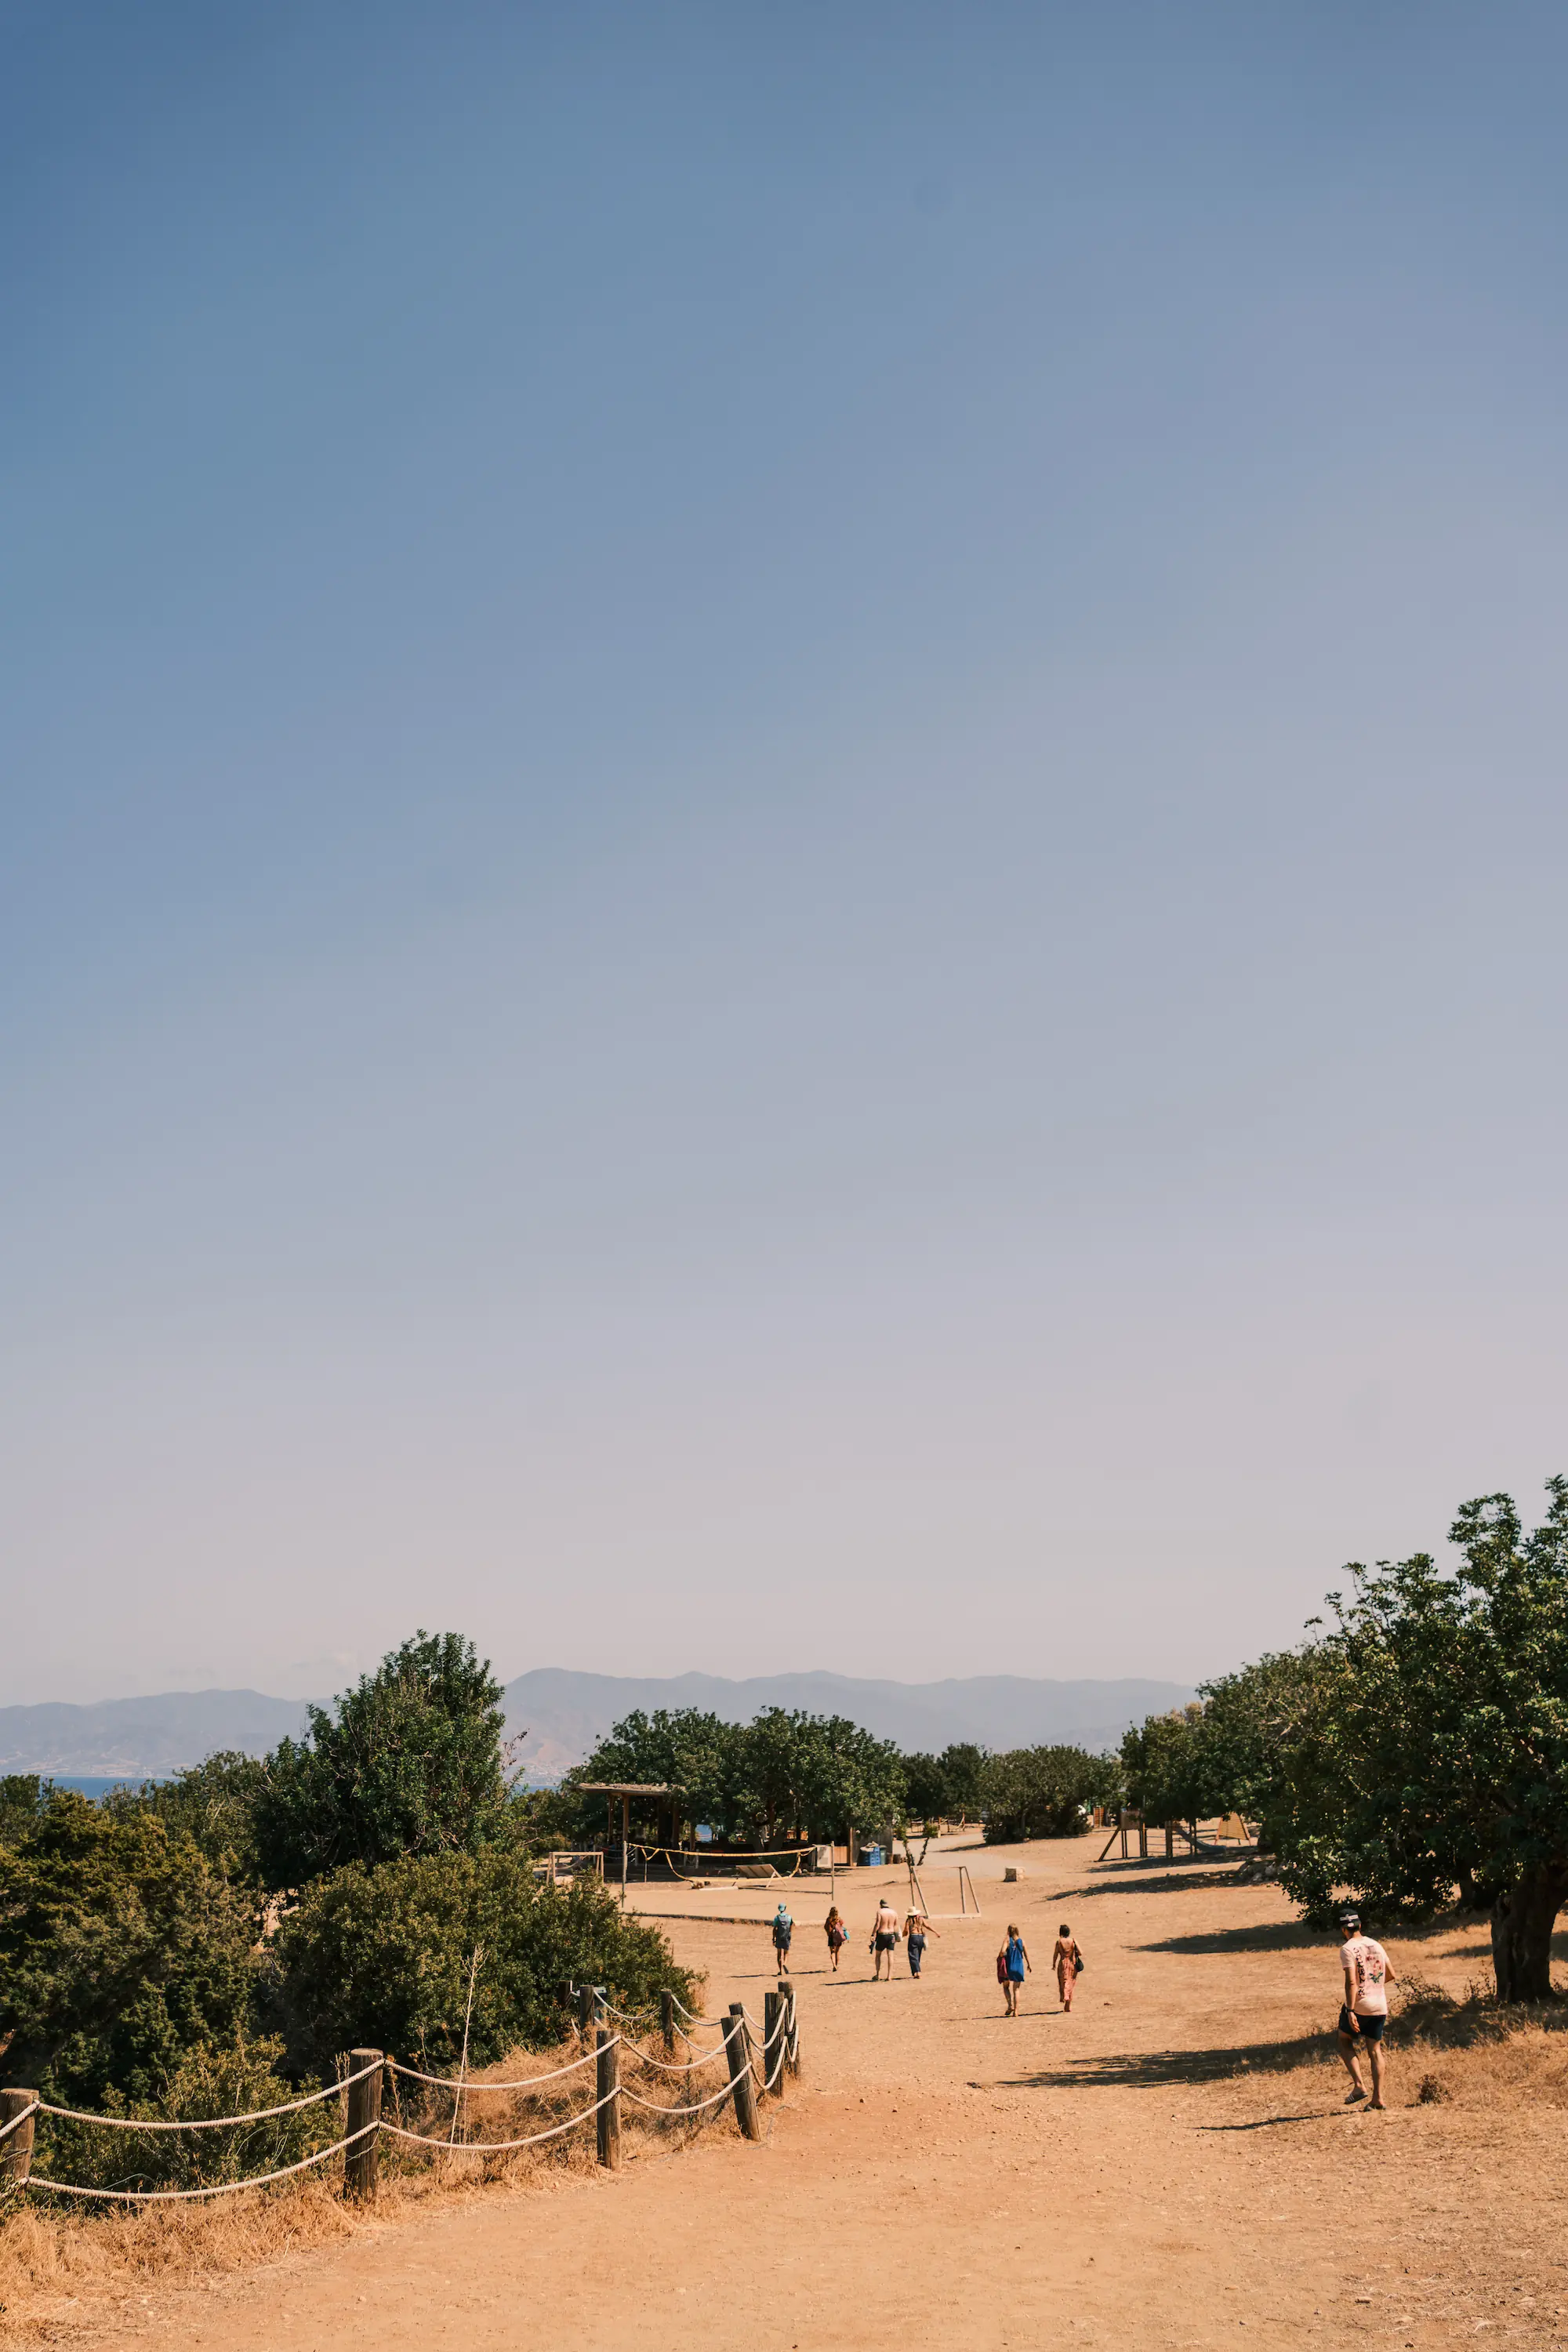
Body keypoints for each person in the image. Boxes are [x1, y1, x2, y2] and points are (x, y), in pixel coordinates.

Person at [1336, 1908, 1396, 2109]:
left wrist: (1350, 2010)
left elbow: (1351, 1982)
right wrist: (1373, 1985)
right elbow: (1391, 1974)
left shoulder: (1347, 1949)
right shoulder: (1376, 1945)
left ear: (1344, 1929)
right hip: (1380, 2004)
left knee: (1344, 2040)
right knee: (1375, 2050)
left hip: (1360, 2005)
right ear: (1360, 1926)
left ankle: (1359, 2085)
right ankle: (1378, 2098)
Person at [997, 1923, 1030, 2016]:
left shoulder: (1007, 1940)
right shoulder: (1022, 1941)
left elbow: (1002, 1951)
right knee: (1016, 1989)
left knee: (1006, 1987)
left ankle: (1010, 2005)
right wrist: (1029, 1964)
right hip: (1019, 1967)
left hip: (1008, 1967)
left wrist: (1002, 1956)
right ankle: (1016, 2011)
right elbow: (1026, 1954)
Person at [1051, 1922, 1081, 2012]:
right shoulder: (1073, 1941)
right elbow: (1080, 1952)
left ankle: (1065, 1995)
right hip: (1072, 1963)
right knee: (1071, 1982)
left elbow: (1056, 1954)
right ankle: (1068, 2005)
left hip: (1063, 1963)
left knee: (1063, 1981)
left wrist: (1053, 1964)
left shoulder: (1059, 1942)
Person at [869, 1896, 901, 1980]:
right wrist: (897, 1936)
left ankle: (878, 1974)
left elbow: (878, 1924)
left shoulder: (880, 1912)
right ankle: (889, 1976)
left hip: (882, 1934)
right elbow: (896, 1925)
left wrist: (873, 1934)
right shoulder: (894, 1912)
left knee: (878, 1955)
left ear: (880, 1904)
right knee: (890, 1955)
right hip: (891, 1934)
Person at [904, 1910, 939, 1977]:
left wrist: (902, 1936)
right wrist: (936, 1932)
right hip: (921, 1937)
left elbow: (906, 1931)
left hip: (913, 1937)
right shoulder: (921, 1919)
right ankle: (916, 1972)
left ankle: (917, 1972)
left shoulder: (909, 1920)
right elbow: (927, 1926)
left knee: (912, 1955)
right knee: (918, 1955)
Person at [771, 1900, 794, 1977]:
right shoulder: (789, 1917)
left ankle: (781, 1970)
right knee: (786, 1952)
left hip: (779, 1937)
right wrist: (790, 1934)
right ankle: (785, 1963)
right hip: (786, 1936)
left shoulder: (777, 1918)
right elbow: (792, 1925)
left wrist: (773, 1938)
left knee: (779, 1954)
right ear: (785, 1908)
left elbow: (775, 1928)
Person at [824, 1905, 848, 1969]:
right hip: (838, 1937)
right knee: (837, 1952)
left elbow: (826, 1927)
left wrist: (828, 1933)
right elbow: (842, 1925)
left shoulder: (829, 1920)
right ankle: (836, 1965)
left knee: (832, 1952)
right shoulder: (839, 1919)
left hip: (831, 1936)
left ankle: (834, 1965)